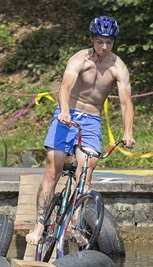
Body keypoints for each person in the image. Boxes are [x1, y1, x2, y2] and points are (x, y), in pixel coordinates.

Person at [25, 15, 135, 246]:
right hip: (68, 114)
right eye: (100, 41)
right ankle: (39, 224)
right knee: (52, 168)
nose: (104, 47)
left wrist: (128, 131)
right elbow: (64, 88)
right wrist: (64, 111)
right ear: (92, 39)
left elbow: (126, 101)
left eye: (109, 42)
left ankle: (74, 224)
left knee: (86, 170)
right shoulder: (79, 60)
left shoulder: (118, 66)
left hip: (92, 120)